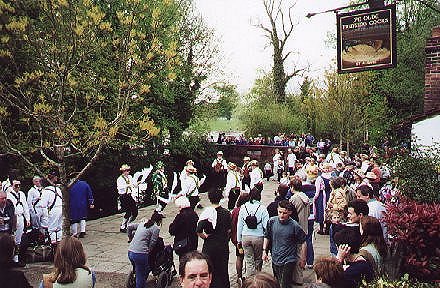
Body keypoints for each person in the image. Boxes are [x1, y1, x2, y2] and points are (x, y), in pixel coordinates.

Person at [262, 200, 306, 288]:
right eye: (280, 212)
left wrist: (303, 258)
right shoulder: (272, 221)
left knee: (285, 284)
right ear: (277, 210)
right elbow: (267, 236)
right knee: (277, 282)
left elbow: (303, 242)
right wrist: (264, 251)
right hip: (276, 257)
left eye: (284, 213)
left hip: (289, 259)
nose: (282, 215)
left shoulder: (294, 225)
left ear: (289, 212)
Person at [197, 188, 231, 288]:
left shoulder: (207, 213)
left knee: (209, 270)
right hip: (222, 244)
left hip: (209, 245)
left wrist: (205, 237)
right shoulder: (226, 213)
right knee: (223, 270)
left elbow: (198, 230)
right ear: (220, 197)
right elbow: (229, 230)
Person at [237, 188, 269, 278]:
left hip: (245, 236)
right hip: (258, 237)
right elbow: (266, 226)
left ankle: (249, 281)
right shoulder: (262, 208)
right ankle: (258, 280)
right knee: (258, 260)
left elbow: (239, 225)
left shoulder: (243, 207)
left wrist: (239, 240)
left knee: (248, 260)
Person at [127, 211, 163, 288]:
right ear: (159, 221)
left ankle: (137, 280)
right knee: (141, 274)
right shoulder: (156, 228)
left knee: (142, 269)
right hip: (140, 254)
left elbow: (129, 227)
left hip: (130, 251)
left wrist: (130, 238)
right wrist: (148, 250)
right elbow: (153, 242)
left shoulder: (142, 223)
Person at [288, 177, 310, 285]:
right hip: (304, 226)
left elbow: (291, 213)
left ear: (292, 187)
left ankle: (297, 278)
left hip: (297, 227)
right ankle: (299, 276)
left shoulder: (294, 199)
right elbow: (309, 213)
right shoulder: (305, 197)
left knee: (296, 254)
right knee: (301, 253)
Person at [7, 180, 30, 264]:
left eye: (19, 185)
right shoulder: (9, 195)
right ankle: (12, 257)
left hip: (21, 217)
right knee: (13, 237)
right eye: (16, 185)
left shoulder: (22, 194)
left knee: (19, 238)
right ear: (12, 185)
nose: (18, 187)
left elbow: (26, 207)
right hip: (13, 217)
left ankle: (18, 257)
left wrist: (27, 219)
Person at [231, 193, 250, 286]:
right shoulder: (248, 209)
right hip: (247, 236)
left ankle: (239, 277)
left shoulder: (235, 211)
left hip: (237, 239)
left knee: (239, 257)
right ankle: (248, 276)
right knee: (249, 257)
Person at [40, 173, 63, 245]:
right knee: (59, 227)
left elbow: (42, 204)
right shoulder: (57, 189)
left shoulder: (46, 191)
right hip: (61, 208)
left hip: (54, 210)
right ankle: (60, 241)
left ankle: (54, 244)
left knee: (52, 228)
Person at [117, 164, 139, 233]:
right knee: (128, 212)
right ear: (123, 172)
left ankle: (128, 224)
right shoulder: (120, 179)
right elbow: (120, 187)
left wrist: (137, 183)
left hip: (129, 196)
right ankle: (123, 226)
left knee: (135, 211)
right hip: (123, 196)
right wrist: (128, 185)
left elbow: (133, 185)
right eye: (126, 171)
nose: (128, 172)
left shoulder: (130, 177)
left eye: (128, 171)